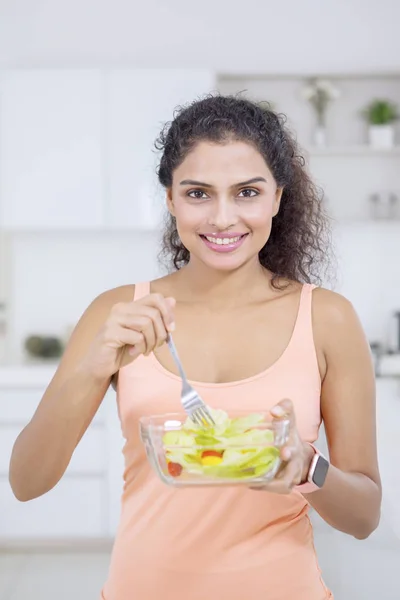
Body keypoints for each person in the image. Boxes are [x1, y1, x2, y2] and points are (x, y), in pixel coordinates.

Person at [9, 95, 381, 600]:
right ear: (170, 200)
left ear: (277, 198)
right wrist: (91, 370)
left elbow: (363, 517)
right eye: (199, 193)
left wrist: (305, 466)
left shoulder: (327, 318)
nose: (223, 218)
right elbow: (26, 483)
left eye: (247, 192)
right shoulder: (118, 312)